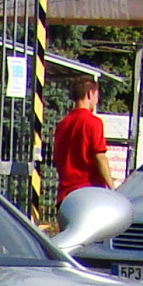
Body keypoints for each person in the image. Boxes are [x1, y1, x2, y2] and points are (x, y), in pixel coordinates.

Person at [52, 74, 114, 202]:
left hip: (65, 195)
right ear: (90, 94)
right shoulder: (93, 122)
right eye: (97, 95)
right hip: (89, 193)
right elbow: (99, 157)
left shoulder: (62, 124)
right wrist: (112, 187)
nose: (97, 100)